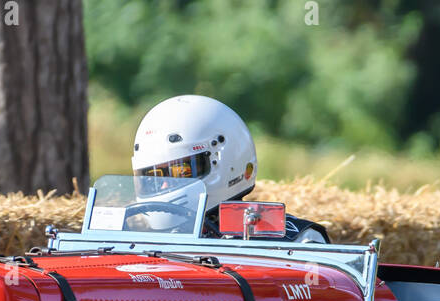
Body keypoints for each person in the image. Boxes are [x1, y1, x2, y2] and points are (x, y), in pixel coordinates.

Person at [131, 94, 330, 243]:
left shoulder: (295, 241)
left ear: (221, 158)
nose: (165, 184)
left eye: (180, 171)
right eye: (153, 176)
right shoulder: (131, 243)